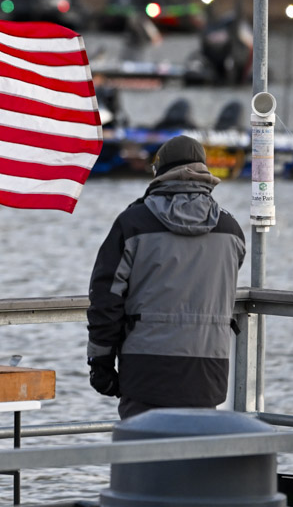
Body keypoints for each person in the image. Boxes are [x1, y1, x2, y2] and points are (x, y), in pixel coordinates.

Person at [86, 135, 246, 420]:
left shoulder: (133, 223)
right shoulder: (231, 229)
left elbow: (105, 298)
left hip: (146, 371)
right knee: (195, 446)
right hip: (208, 370)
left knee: (144, 446)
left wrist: (101, 363)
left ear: (159, 172)